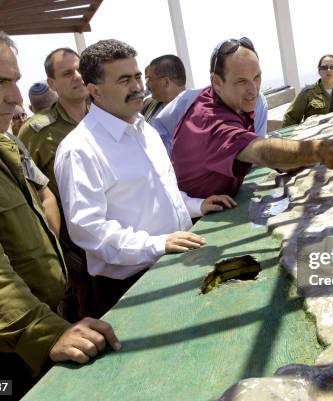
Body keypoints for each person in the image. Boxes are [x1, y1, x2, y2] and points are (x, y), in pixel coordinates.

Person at [0, 22, 119, 398]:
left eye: (15, 81)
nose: (16, 97)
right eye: (0, 82)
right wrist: (45, 331)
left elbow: (43, 200)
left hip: (33, 329)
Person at [55, 39, 235, 318]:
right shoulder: (79, 149)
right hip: (132, 286)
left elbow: (162, 193)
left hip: (179, 257)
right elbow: (88, 229)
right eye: (124, 80)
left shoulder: (145, 130)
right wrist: (157, 244)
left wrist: (198, 205)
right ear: (95, 91)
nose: (138, 86)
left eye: (138, 76)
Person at [171, 38, 333, 199]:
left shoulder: (227, 98)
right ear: (217, 82)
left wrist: (288, 160)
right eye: (241, 81)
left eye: (256, 78)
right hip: (195, 223)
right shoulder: (209, 119)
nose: (253, 90)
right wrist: (318, 150)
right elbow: (259, 151)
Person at [18, 47, 92, 321]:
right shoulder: (37, 131)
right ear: (52, 84)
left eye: (79, 69)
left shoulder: (106, 116)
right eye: (67, 73)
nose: (77, 77)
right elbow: (30, 192)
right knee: (83, 312)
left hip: (115, 232)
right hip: (71, 244)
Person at [4, 103, 61, 236]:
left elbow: (45, 194)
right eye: (16, 117)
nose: (22, 119)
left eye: (23, 115)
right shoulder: (28, 137)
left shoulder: (16, 145)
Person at [282, 54, 333, 127]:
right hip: (317, 139)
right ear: (319, 71)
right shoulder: (307, 93)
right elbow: (290, 120)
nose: (328, 70)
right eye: (324, 67)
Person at [141, 54, 186, 124]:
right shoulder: (147, 104)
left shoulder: (194, 110)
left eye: (150, 79)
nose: (147, 84)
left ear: (166, 82)